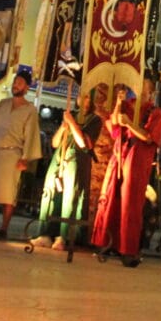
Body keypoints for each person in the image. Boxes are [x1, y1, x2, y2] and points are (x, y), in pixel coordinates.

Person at [92, 76, 161, 267]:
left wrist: (130, 124)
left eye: (144, 89)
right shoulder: (128, 104)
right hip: (119, 152)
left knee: (130, 202)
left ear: (151, 92)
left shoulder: (154, 112)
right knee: (110, 197)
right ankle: (106, 242)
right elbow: (114, 125)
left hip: (137, 157)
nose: (140, 92)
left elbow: (149, 137)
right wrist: (118, 103)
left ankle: (128, 248)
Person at [32, 83, 106, 250]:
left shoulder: (94, 120)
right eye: (81, 96)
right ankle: (45, 233)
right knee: (51, 193)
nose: (84, 100)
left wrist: (72, 123)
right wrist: (63, 126)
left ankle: (64, 236)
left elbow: (83, 143)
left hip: (76, 160)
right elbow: (55, 142)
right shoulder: (70, 115)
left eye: (87, 97)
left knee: (70, 198)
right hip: (60, 157)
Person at [0, 67, 41, 239]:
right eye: (15, 82)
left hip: (13, 155)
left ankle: (4, 228)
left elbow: (31, 134)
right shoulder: (3, 104)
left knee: (8, 195)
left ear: (26, 87)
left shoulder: (29, 110)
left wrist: (25, 158)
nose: (16, 85)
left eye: (20, 83)